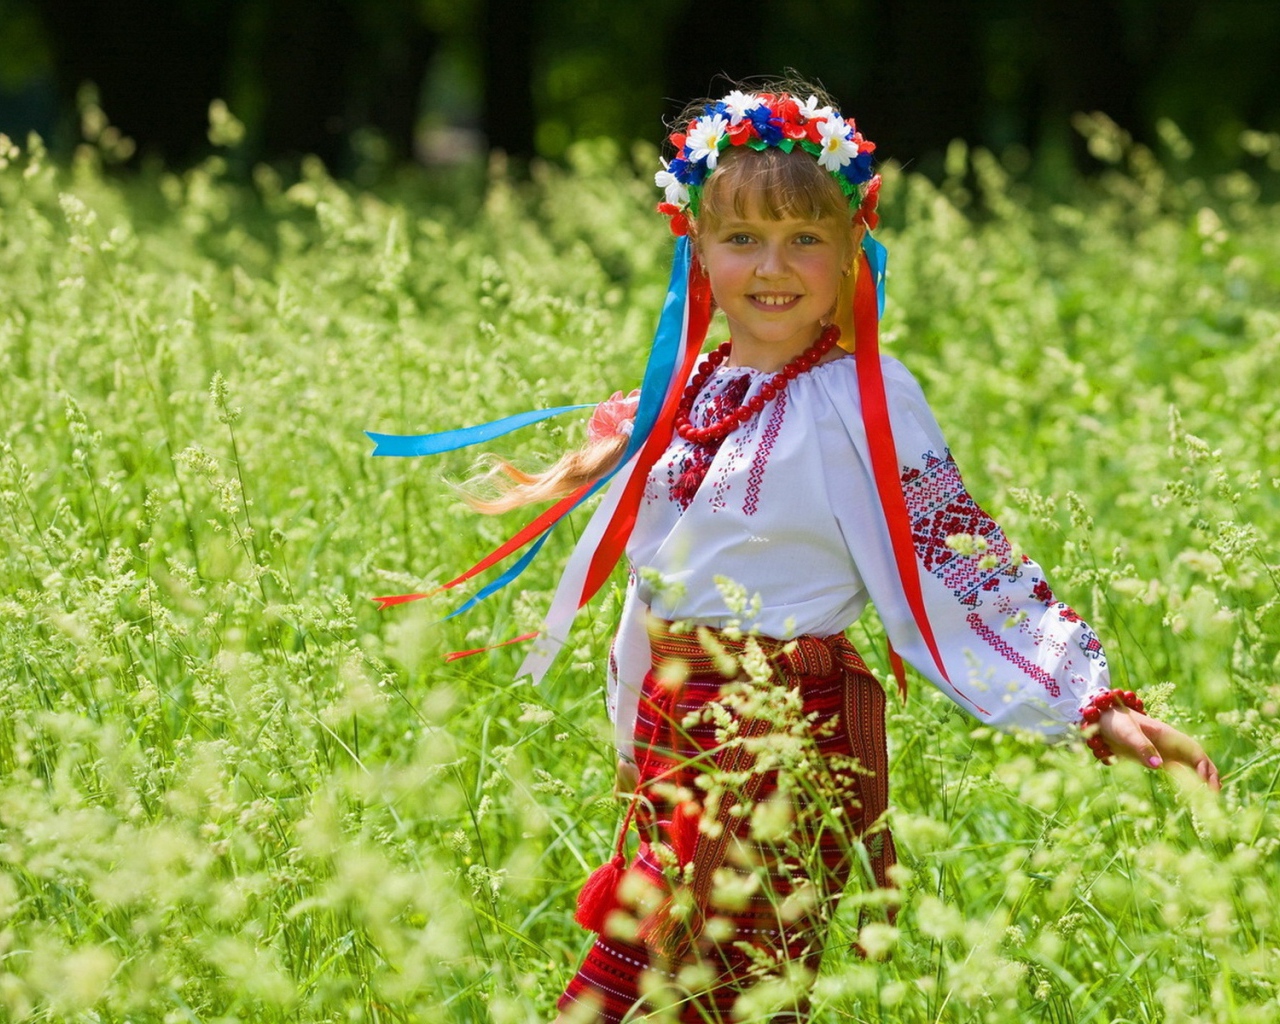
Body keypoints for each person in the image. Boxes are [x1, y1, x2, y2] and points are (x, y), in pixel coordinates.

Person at [368, 79, 1220, 1024]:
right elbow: (656, 581)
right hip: (675, 744)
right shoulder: (693, 386)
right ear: (696, 250)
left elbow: (963, 560)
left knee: (688, 1003)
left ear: (853, 249)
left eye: (805, 239)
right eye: (742, 240)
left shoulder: (866, 400)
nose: (774, 267)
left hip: (780, 749)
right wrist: (630, 736)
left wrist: (1088, 702)